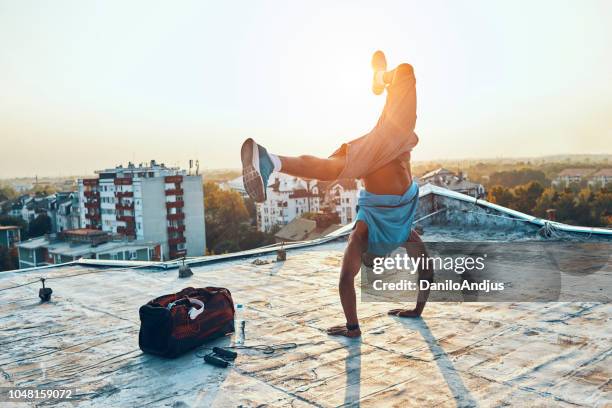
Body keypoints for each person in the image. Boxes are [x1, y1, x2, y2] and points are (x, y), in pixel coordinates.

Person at [240, 51, 432, 338]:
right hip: (395, 143)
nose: (376, 262)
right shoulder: (403, 234)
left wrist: (353, 327)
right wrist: (417, 310)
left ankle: (270, 161)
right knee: (405, 71)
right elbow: (425, 268)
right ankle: (380, 78)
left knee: (330, 169)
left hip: (380, 151)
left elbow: (346, 280)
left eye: (372, 263)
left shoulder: (362, 236)